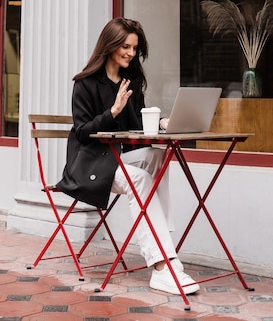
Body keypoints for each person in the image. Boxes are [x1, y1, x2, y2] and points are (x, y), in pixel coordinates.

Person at [57, 17, 199, 295]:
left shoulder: (130, 80)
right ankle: (161, 266)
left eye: (134, 48)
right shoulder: (84, 83)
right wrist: (111, 112)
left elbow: (136, 127)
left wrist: (160, 124)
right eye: (125, 46)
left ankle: (164, 246)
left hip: (118, 158)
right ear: (109, 45)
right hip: (90, 165)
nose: (131, 53)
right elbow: (83, 132)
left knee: (158, 157)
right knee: (139, 179)